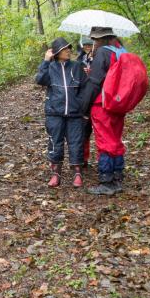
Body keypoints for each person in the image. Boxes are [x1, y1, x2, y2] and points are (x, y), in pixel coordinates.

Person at [80, 26, 126, 196]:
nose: (93, 42)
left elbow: (94, 82)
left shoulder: (102, 53)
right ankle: (118, 175)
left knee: (105, 141)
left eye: (95, 39)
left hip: (102, 104)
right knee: (115, 138)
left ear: (99, 39)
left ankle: (107, 181)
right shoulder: (120, 50)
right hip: (118, 103)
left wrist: (84, 107)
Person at [35, 37, 86, 188]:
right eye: (65, 49)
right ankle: (56, 174)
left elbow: (85, 87)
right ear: (56, 52)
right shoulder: (50, 67)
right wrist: (45, 61)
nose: (68, 51)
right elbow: (40, 80)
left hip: (75, 113)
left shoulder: (77, 66)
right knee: (54, 143)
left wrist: (82, 107)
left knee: (76, 142)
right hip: (54, 113)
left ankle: (77, 173)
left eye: (69, 48)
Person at [77, 36, 95, 167]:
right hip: (84, 98)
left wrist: (91, 71)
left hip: (97, 96)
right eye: (85, 45)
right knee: (84, 130)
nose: (87, 47)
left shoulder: (99, 58)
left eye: (90, 45)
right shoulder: (79, 60)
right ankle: (84, 158)